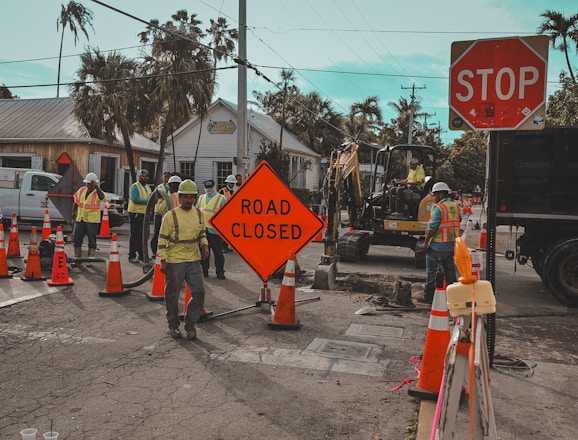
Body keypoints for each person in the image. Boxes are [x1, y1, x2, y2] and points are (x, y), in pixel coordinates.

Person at [158, 179, 209, 340]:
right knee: (172, 294)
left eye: (191, 197)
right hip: (175, 260)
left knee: (199, 293)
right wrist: (164, 260)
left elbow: (202, 233)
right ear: (179, 198)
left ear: (195, 198)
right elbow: (162, 240)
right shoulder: (170, 216)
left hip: (193, 259)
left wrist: (205, 245)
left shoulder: (199, 214)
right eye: (185, 197)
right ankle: (173, 326)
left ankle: (190, 324)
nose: (189, 200)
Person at [418, 182, 461, 304]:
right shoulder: (455, 206)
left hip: (437, 246)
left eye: (435, 195)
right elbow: (458, 220)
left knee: (431, 273)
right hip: (451, 245)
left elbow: (433, 227)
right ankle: (452, 297)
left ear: (441, 194)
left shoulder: (439, 208)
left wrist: (426, 243)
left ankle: (428, 297)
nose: (434, 198)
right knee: (450, 273)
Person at [72, 172, 106, 268]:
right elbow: (76, 201)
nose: (88, 185)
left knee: (92, 241)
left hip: (91, 221)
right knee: (77, 239)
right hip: (80, 219)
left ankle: (90, 260)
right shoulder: (82, 190)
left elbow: (103, 198)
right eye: (87, 183)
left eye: (90, 184)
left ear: (94, 184)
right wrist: (74, 211)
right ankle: (78, 259)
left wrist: (97, 187)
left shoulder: (98, 193)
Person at [196, 179, 227, 279]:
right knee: (204, 252)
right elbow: (196, 211)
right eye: (207, 188)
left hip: (215, 231)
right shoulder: (201, 198)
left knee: (218, 252)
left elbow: (226, 214)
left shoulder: (221, 198)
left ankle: (220, 271)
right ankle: (204, 271)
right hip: (203, 230)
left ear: (214, 187)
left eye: (210, 188)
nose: (208, 190)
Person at [151, 174, 181, 255]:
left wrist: (162, 199)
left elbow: (161, 209)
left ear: (170, 186)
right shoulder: (183, 197)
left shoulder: (169, 197)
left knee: (165, 242)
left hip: (168, 224)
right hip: (181, 223)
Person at [128, 169, 152, 263]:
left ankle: (142, 255)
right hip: (135, 213)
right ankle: (132, 255)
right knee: (135, 235)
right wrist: (149, 202)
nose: (145, 178)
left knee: (143, 235)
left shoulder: (147, 187)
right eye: (143, 176)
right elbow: (135, 199)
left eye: (146, 176)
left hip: (144, 214)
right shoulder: (135, 186)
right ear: (139, 177)